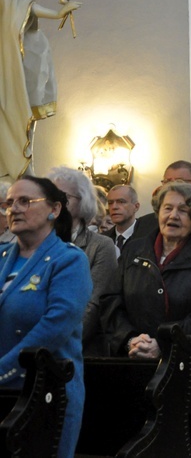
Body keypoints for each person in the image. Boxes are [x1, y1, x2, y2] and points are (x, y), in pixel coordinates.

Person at [101, 182, 191, 457]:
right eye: (168, 208)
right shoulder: (134, 251)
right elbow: (111, 301)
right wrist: (129, 339)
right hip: (138, 371)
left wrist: (164, 344)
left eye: (183, 210)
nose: (173, 216)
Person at [0, 176, 92, 458]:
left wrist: (3, 369)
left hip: (44, 393)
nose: (14, 208)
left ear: (54, 209)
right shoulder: (2, 256)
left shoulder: (69, 260)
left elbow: (55, 326)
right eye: (10, 203)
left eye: (25, 201)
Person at [0, 0, 81, 180]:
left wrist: (56, 13)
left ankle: (19, 175)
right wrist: (56, 13)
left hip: (10, 61)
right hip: (6, 62)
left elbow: (18, 3)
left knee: (18, 114)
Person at [48, 166, 117, 357]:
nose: (55, 203)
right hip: (32, 351)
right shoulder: (38, 245)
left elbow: (93, 306)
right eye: (50, 196)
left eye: (63, 196)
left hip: (80, 352)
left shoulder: (101, 246)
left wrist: (51, 346)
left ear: (84, 202)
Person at [103, 184, 149, 257]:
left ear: (136, 207)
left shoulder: (148, 238)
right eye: (110, 203)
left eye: (121, 202)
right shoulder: (103, 240)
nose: (114, 207)